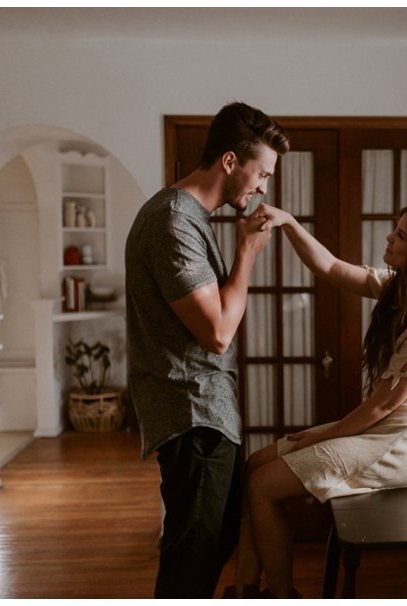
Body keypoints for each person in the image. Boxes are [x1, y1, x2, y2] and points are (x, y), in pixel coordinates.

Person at [227, 201, 407, 598]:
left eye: (400, 235)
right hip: (374, 432)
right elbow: (329, 268)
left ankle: (279, 593)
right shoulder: (403, 289)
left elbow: (382, 406)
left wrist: (315, 438)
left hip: (393, 449)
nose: (389, 237)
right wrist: (289, 221)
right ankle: (244, 588)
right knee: (255, 464)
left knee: (262, 484)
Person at [124, 102, 289, 598]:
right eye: (261, 173)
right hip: (192, 414)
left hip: (205, 412)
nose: (263, 187)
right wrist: (246, 254)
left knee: (208, 549)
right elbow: (218, 332)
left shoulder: (190, 215)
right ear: (230, 162)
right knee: (192, 562)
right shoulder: (173, 222)